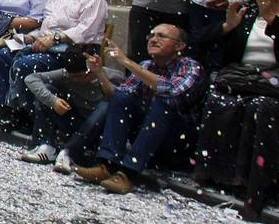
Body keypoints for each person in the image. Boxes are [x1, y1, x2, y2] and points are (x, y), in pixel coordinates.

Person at [191, 0, 279, 219]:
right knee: (218, 99)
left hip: (278, 87)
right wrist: (227, 27)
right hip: (244, 79)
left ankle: (257, 190)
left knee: (262, 108)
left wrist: (274, 20)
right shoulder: (247, 15)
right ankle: (219, 176)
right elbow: (212, 47)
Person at [76, 26, 202, 194]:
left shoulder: (191, 67)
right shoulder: (146, 65)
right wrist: (99, 73)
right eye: (151, 35)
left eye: (161, 36)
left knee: (162, 104)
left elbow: (171, 90)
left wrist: (126, 62)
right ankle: (108, 164)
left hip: (176, 142)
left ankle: (127, 174)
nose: (153, 39)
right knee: (121, 98)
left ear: (179, 46)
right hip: (148, 136)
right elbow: (117, 96)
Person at [0, 0, 107, 123]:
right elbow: (45, 30)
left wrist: (55, 38)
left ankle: (28, 116)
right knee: (2, 54)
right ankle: (6, 108)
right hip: (48, 47)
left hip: (75, 53)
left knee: (26, 64)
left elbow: (86, 30)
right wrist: (24, 38)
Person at [20, 44, 121, 170]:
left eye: (79, 77)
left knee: (107, 105)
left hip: (99, 132)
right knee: (47, 89)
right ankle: (47, 146)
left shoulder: (113, 77)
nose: (76, 80)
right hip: (74, 124)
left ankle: (69, 152)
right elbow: (31, 78)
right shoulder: (66, 75)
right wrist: (53, 101)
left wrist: (100, 73)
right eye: (72, 77)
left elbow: (118, 98)